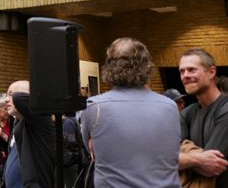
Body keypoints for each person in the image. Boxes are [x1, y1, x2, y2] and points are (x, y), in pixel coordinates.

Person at [81, 38, 180, 187]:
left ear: (110, 67)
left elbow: (91, 152)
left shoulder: (94, 108)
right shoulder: (170, 106)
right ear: (147, 66)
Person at [178, 48, 228, 186]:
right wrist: (199, 159)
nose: (185, 76)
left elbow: (210, 167)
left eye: (192, 70)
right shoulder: (187, 113)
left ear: (211, 72)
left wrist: (185, 158)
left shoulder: (225, 110)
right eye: (182, 71)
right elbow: (165, 159)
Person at [3, 80, 55, 188]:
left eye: (11, 95)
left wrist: (24, 92)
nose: (6, 100)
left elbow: (20, 99)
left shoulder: (40, 120)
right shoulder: (19, 123)